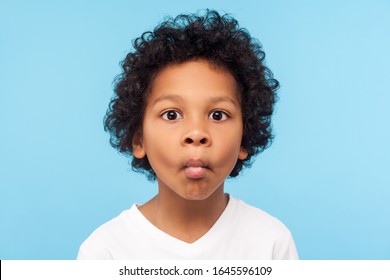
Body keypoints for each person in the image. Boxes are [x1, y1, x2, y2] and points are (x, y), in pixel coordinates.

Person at [77, 9, 298, 260]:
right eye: (172, 115)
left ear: (244, 139)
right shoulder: (106, 250)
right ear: (139, 140)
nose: (196, 134)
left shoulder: (271, 242)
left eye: (218, 115)